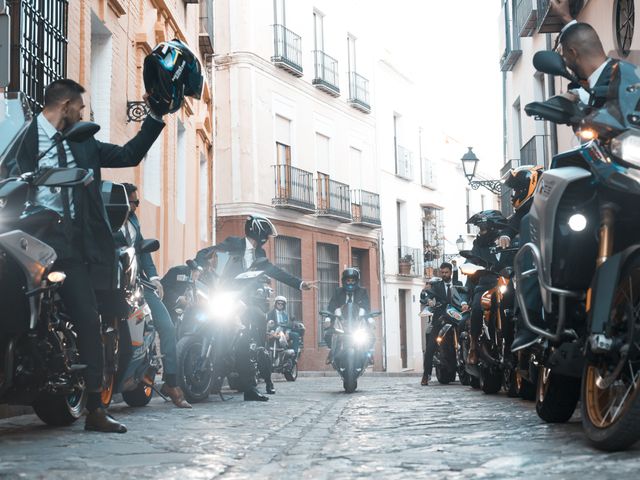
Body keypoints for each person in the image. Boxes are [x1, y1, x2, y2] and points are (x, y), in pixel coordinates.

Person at [1, 79, 166, 433]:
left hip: (71, 244)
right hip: (24, 236)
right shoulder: (22, 139)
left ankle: (95, 407)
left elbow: (127, 156)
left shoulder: (85, 142)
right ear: (64, 105)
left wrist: (155, 115)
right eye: (80, 108)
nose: (83, 113)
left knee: (88, 318)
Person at [213, 214, 316, 400]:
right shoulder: (233, 244)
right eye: (266, 236)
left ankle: (252, 386)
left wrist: (300, 284)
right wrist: (196, 265)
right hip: (226, 296)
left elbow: (274, 271)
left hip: (248, 300)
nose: (267, 240)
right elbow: (211, 252)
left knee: (250, 338)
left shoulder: (260, 255)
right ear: (259, 233)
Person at [115, 183, 191, 408]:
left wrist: (155, 278)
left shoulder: (134, 222)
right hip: (114, 282)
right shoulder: (106, 221)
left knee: (166, 326)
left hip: (139, 282)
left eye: (137, 202)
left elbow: (143, 251)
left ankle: (171, 382)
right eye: (132, 201)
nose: (135, 206)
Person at [465, 210, 511, 365]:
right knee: (477, 308)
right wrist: (469, 266)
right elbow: (471, 259)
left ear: (491, 227)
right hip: (485, 284)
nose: (480, 232)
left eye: (482, 228)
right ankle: (473, 345)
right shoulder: (477, 244)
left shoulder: (507, 240)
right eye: (479, 228)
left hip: (505, 283)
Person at [420, 262, 466, 386]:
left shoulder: (458, 284)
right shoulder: (436, 286)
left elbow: (464, 296)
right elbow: (425, 294)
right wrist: (428, 300)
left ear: (451, 272)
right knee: (430, 347)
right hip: (441, 317)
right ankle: (426, 375)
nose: (444, 274)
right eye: (442, 272)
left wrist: (465, 304)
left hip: (457, 317)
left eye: (446, 272)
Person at [324, 268, 373, 362]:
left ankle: (368, 353)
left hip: (357, 322)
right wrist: (328, 318)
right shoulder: (338, 291)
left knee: (371, 336)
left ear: (356, 281)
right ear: (344, 281)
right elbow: (332, 306)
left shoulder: (362, 292)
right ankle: (332, 351)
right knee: (328, 334)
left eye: (353, 280)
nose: (350, 283)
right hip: (341, 322)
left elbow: (366, 307)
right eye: (348, 280)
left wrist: (370, 319)